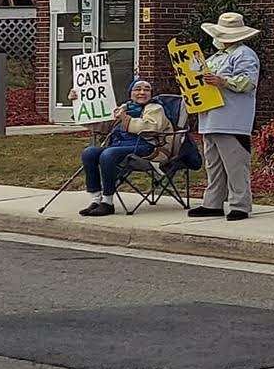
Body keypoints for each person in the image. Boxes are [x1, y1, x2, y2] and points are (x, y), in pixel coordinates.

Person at [187, 12, 261, 223]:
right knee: (214, 165)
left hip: (233, 120)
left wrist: (223, 81)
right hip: (210, 118)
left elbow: (248, 82)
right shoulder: (216, 57)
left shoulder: (245, 55)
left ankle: (240, 205)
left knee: (236, 165)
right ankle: (213, 203)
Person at [77, 78, 170, 216]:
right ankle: (96, 200)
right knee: (89, 152)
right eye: (138, 89)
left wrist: (125, 119)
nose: (142, 92)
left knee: (108, 154)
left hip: (146, 147)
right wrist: (78, 102)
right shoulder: (123, 108)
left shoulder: (155, 108)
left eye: (146, 89)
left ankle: (107, 202)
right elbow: (102, 125)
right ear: (130, 93)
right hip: (119, 145)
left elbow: (152, 127)